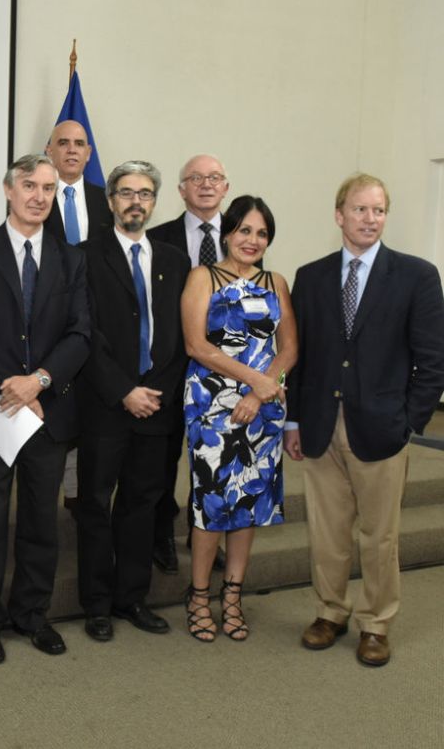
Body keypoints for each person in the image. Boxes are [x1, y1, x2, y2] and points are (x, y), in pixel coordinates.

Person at [285, 174, 444, 666]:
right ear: (339, 215)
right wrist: (292, 421)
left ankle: (375, 623)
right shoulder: (310, 276)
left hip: (382, 427)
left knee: (380, 536)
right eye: (360, 209)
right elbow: (299, 356)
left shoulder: (417, 275)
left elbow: (433, 359)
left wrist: (409, 421)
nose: (370, 219)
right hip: (320, 424)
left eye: (378, 210)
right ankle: (330, 612)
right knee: (327, 532)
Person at [0, 154, 90, 663]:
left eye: (48, 188)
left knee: (40, 520)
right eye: (29, 185)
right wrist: (10, 385)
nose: (39, 196)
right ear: (8, 190)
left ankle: (32, 614)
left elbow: (80, 333)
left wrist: (39, 382)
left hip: (48, 409)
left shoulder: (71, 259)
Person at [74, 161, 189, 641]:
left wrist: (154, 392)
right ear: (110, 201)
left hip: (156, 407)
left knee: (142, 505)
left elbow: (181, 337)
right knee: (96, 504)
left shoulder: (175, 261)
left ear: (155, 202)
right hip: (105, 404)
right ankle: (97, 604)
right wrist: (124, 390)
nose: (135, 201)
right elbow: (84, 333)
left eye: (144, 193)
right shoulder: (84, 256)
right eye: (126, 193)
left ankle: (131, 598)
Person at [181, 195, 297, 642]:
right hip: (212, 406)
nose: (253, 240)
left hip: (263, 407)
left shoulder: (275, 281)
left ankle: (232, 595)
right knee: (212, 503)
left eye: (262, 233)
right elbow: (196, 345)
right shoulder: (203, 277)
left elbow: (289, 348)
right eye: (245, 230)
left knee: (248, 502)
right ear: (228, 232)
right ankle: (198, 596)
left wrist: (260, 390)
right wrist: (254, 382)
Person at [147, 154, 231, 574]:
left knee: (211, 460)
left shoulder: (242, 237)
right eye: (196, 178)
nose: (206, 184)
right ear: (181, 190)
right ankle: (160, 533)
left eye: (214, 177)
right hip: (170, 366)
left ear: (226, 188)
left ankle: (204, 536)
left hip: (224, 373)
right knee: (163, 458)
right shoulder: (156, 238)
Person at [43, 119, 114, 511]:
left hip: (98, 322)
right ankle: (51, 494)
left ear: (89, 154)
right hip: (49, 324)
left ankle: (79, 496)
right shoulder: (35, 195)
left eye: (79, 144)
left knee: (91, 414)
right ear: (49, 150)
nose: (71, 150)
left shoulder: (107, 200)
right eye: (63, 143)